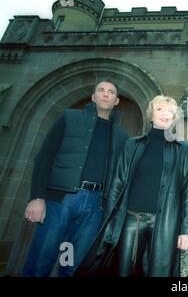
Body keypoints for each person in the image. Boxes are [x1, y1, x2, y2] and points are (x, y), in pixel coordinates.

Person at [77, 95, 188, 277]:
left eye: (170, 111)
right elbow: (117, 183)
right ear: (151, 114)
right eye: (160, 109)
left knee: (158, 273)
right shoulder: (133, 144)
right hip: (131, 219)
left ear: (175, 118)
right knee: (122, 271)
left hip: (164, 223)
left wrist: (186, 231)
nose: (165, 114)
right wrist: (111, 219)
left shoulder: (183, 149)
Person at [22, 80, 128, 277]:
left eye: (111, 92)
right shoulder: (70, 118)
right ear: (93, 97)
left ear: (116, 101)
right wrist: (37, 196)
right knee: (41, 259)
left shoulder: (121, 135)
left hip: (95, 206)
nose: (106, 94)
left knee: (73, 265)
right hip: (61, 200)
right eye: (101, 90)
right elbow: (45, 156)